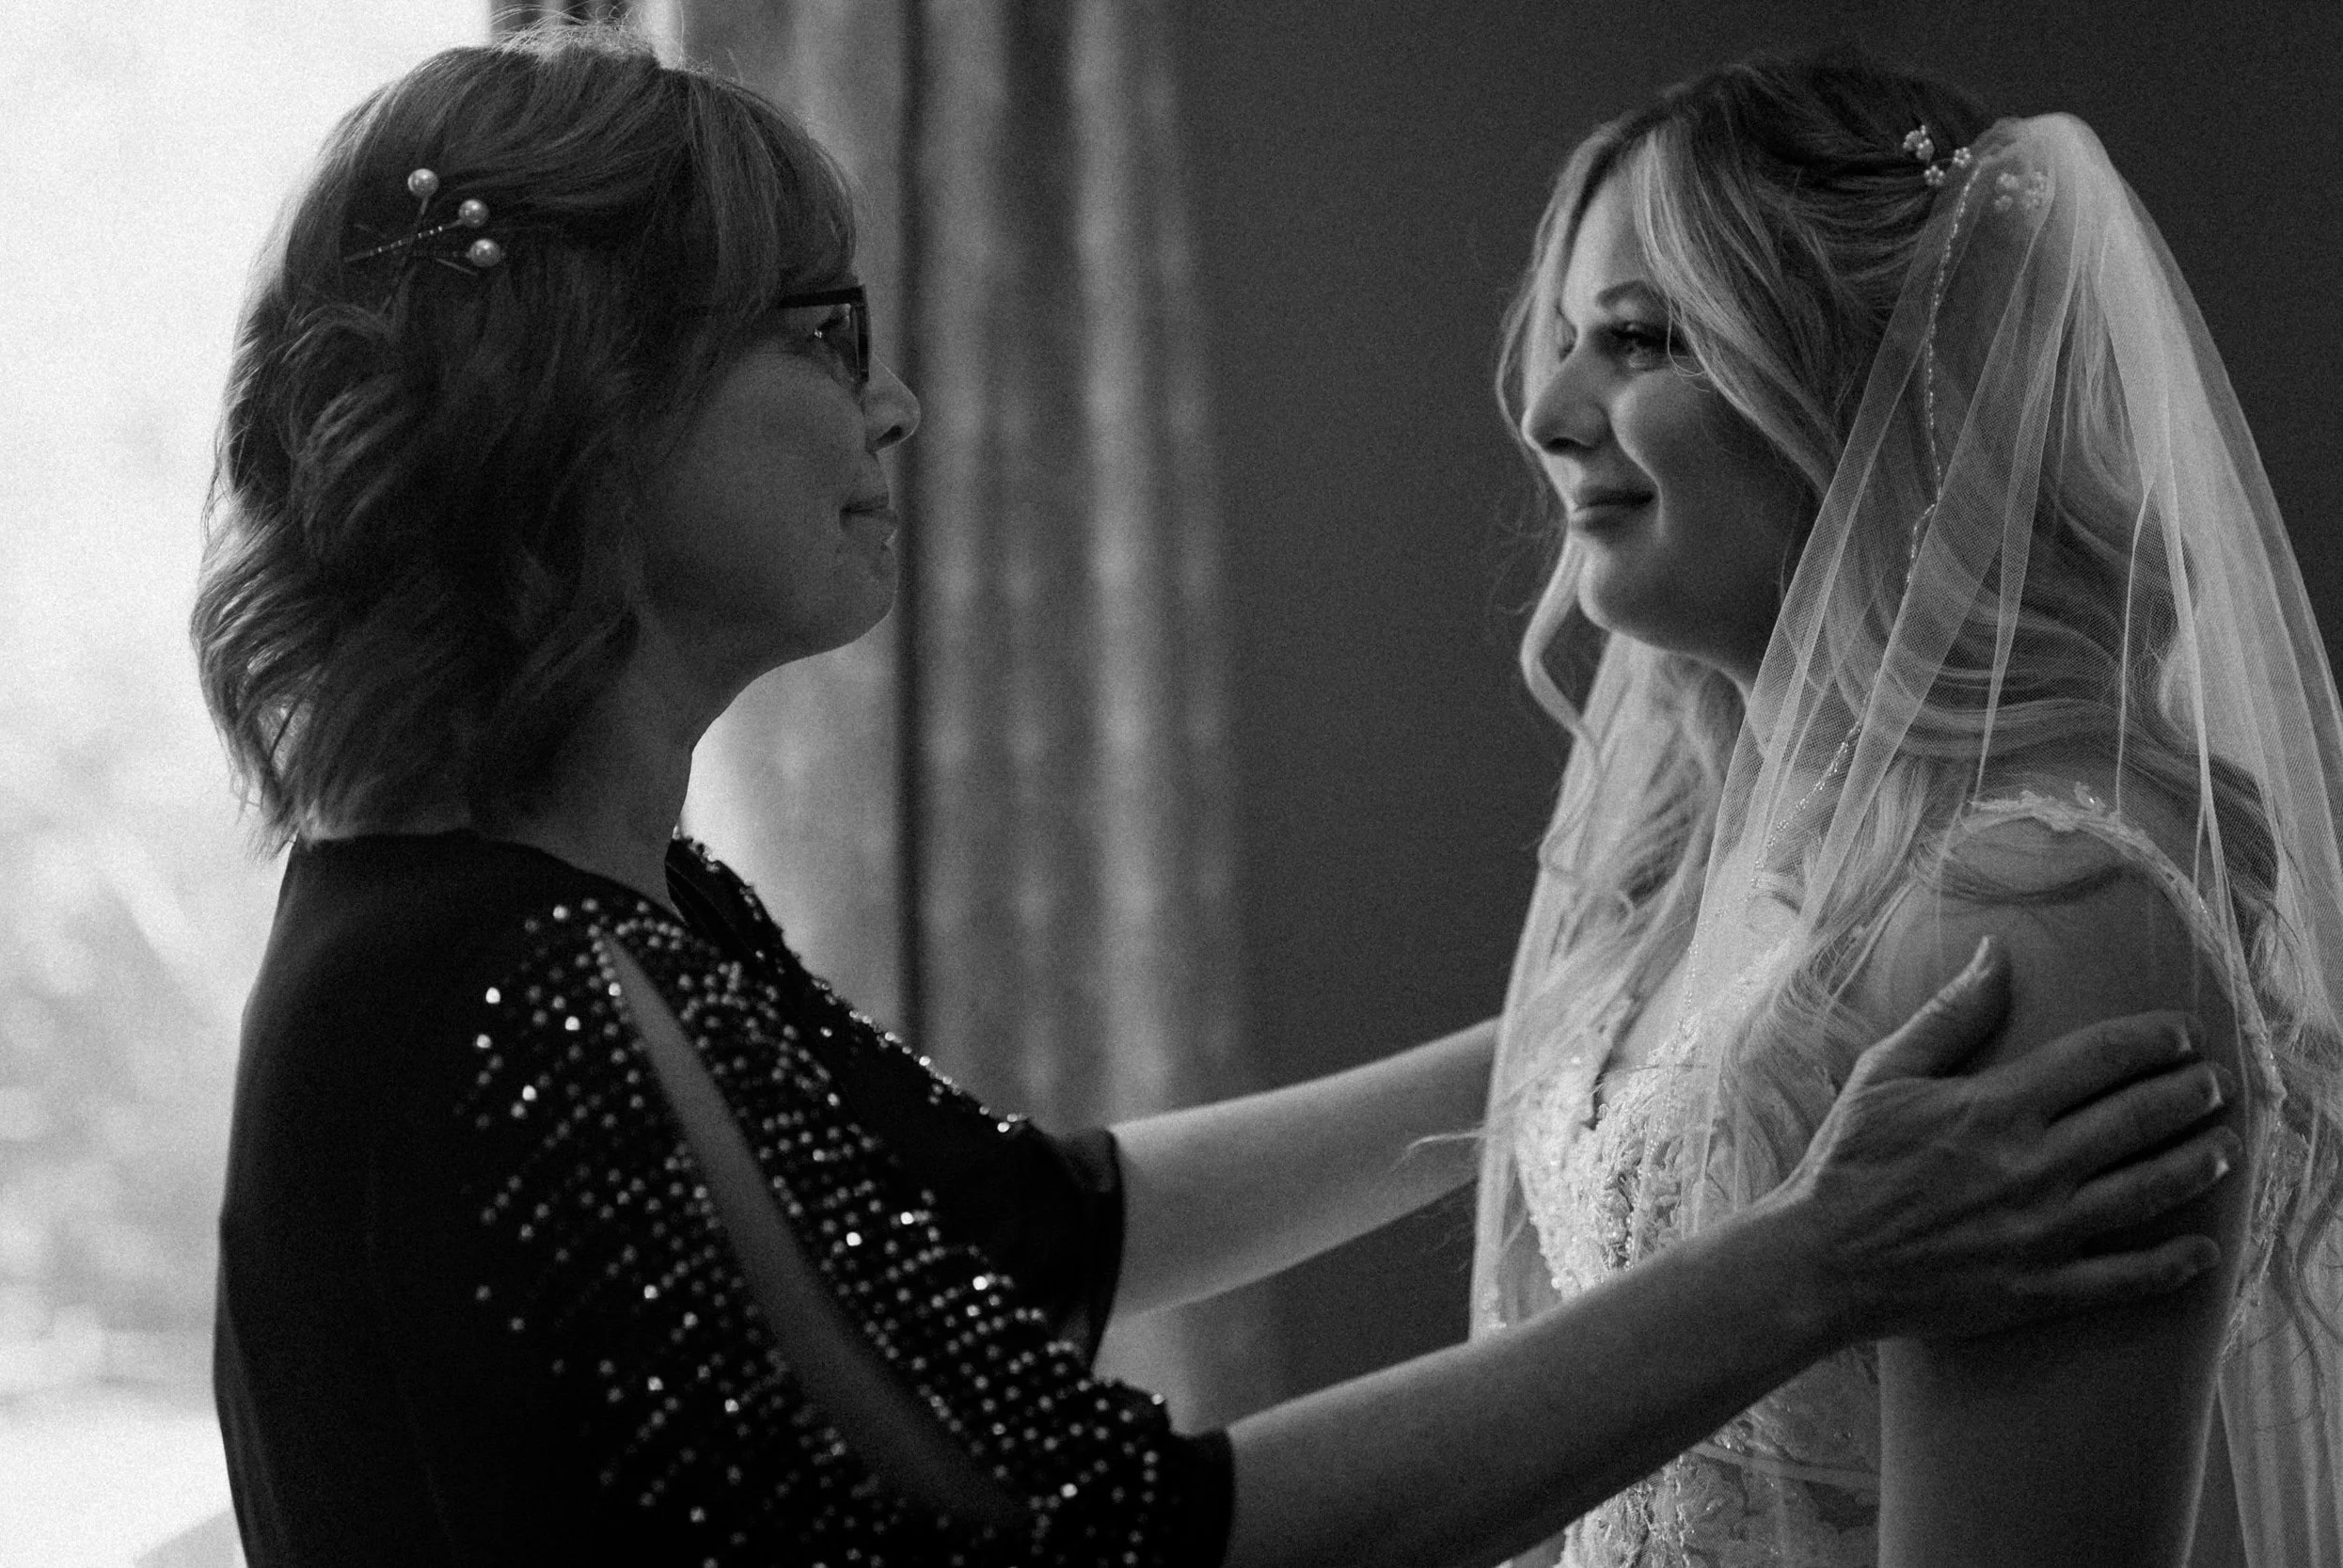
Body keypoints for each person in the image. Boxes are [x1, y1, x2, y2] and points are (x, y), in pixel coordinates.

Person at [196, 27, 2240, 1568]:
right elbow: (1118, 1540)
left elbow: (1042, 1221)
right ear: (581, 403)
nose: (894, 399)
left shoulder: (613, 914)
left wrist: (1645, 1044)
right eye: (823, 331)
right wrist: (1807, 1258)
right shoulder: (504, 993)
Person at [1472, 50, 2343, 1568]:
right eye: (1565, 344)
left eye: (1639, 338)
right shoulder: (1715, 873)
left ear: (1859, 376)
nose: (1548, 413)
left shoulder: (2043, 914)